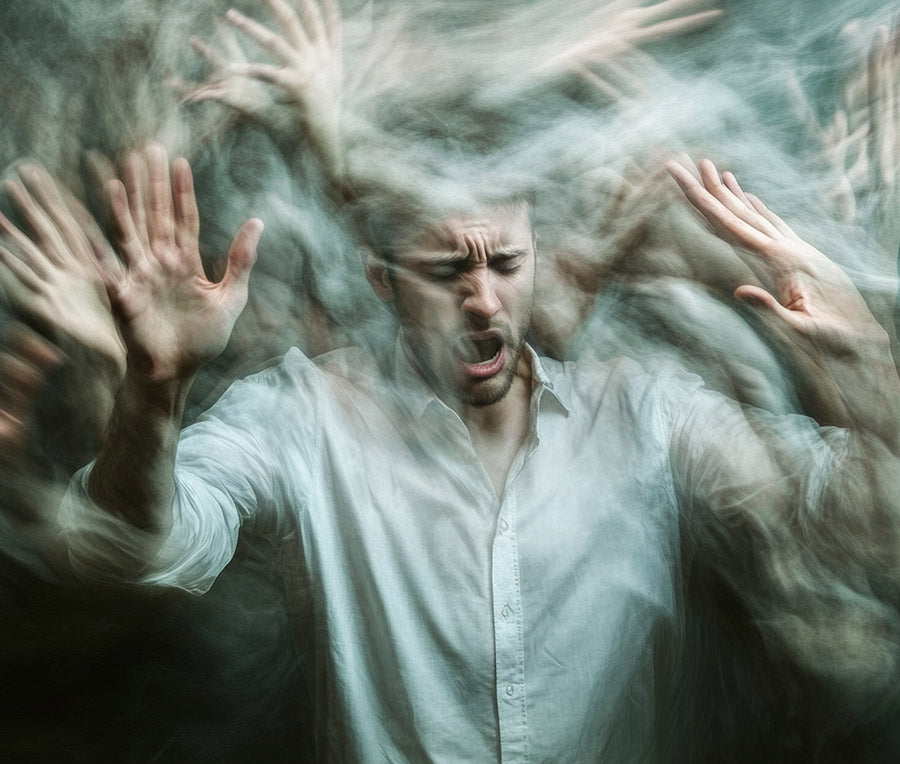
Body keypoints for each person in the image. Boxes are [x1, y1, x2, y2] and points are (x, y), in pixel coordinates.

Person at [60, 142, 900, 761]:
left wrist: (871, 373)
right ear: (383, 280)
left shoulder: (650, 415)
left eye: (506, 263)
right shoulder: (301, 416)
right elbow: (142, 549)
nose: (483, 300)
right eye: (445, 271)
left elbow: (850, 539)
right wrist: (154, 389)